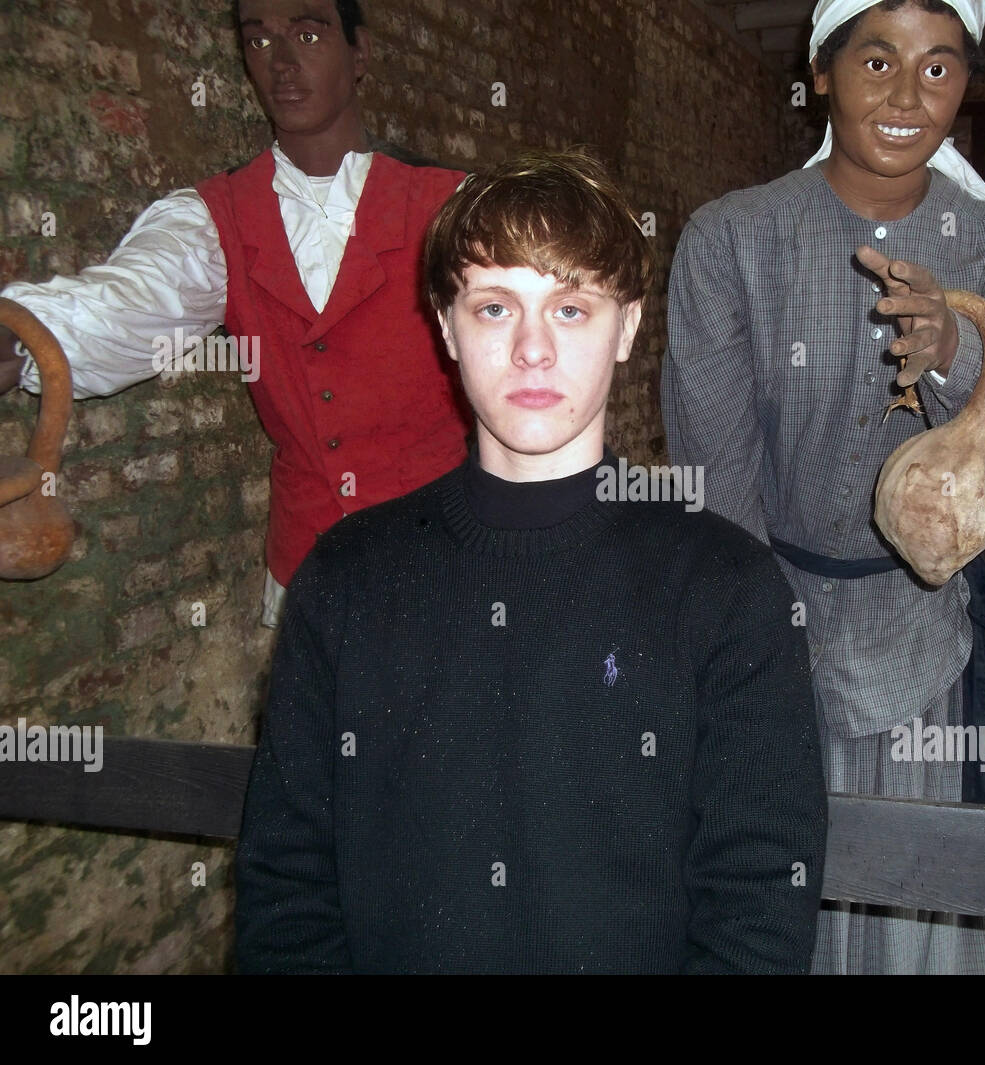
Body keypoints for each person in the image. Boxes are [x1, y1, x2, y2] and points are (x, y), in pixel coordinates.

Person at [234, 150, 829, 974]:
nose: (533, 350)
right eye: (494, 307)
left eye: (572, 308)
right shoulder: (345, 580)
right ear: (445, 326)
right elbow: (286, 888)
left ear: (627, 326)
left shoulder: (729, 590)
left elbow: (758, 909)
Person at [661, 0, 985, 974]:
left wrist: (953, 347)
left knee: (909, 907)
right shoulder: (731, 239)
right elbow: (716, 484)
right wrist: (749, 660)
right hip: (768, 631)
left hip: (914, 644)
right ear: (820, 69)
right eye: (876, 60)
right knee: (771, 900)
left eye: (939, 68)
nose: (906, 95)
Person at [0, 0, 470, 627]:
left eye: (308, 33)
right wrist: (15, 340)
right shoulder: (212, 217)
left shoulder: (455, 206)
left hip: (449, 559)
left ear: (359, 54)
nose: (282, 63)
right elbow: (128, 305)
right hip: (310, 564)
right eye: (258, 42)